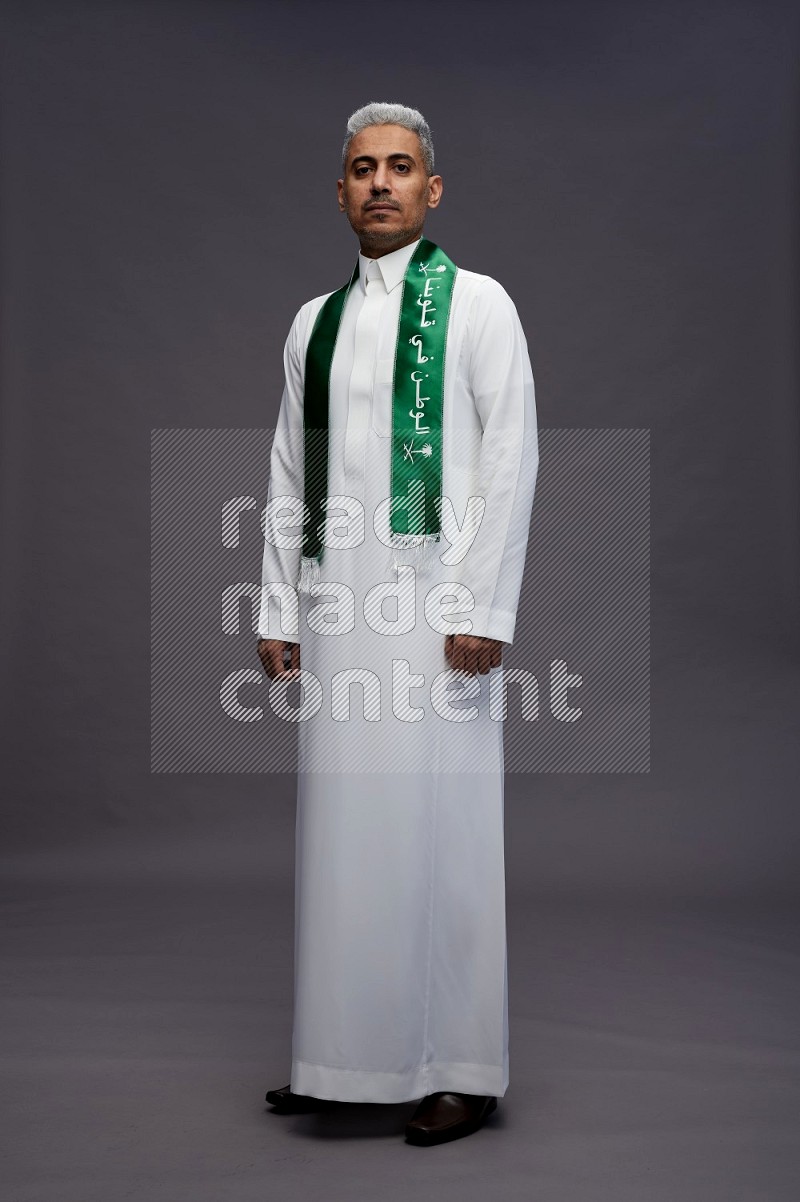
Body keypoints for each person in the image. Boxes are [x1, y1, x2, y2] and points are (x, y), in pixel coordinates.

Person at [256, 102, 539, 1146]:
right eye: (362, 169)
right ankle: (343, 1056)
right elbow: (289, 470)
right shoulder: (310, 323)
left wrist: (482, 606)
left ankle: (461, 1065)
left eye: (400, 168)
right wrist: (279, 603)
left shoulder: (476, 306)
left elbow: (510, 459)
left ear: (432, 189)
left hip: (437, 612)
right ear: (339, 191)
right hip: (342, 610)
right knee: (344, 834)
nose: (380, 183)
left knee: (446, 833)